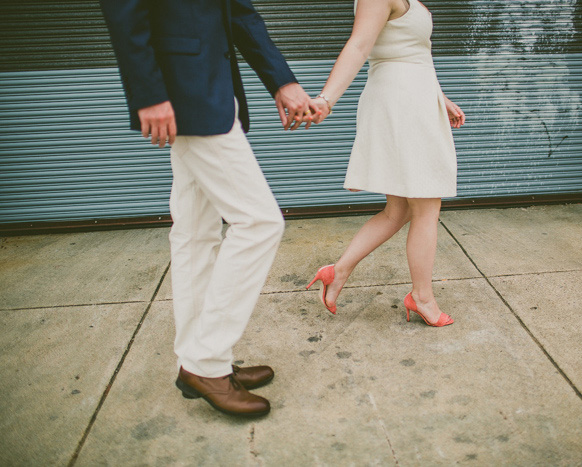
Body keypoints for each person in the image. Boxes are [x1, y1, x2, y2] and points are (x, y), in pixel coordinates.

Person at [99, 0, 319, 417]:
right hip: (183, 90)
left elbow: (237, 12)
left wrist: (281, 80)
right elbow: (124, 9)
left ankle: (203, 360)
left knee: (195, 232)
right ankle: (205, 362)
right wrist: (148, 92)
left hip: (214, 88)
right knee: (259, 222)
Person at [306, 0, 465, 327]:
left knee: (400, 210)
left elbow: (415, 53)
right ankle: (422, 298)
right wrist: (326, 99)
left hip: (416, 99)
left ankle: (338, 271)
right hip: (403, 105)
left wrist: (441, 98)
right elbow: (360, 45)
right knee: (425, 208)